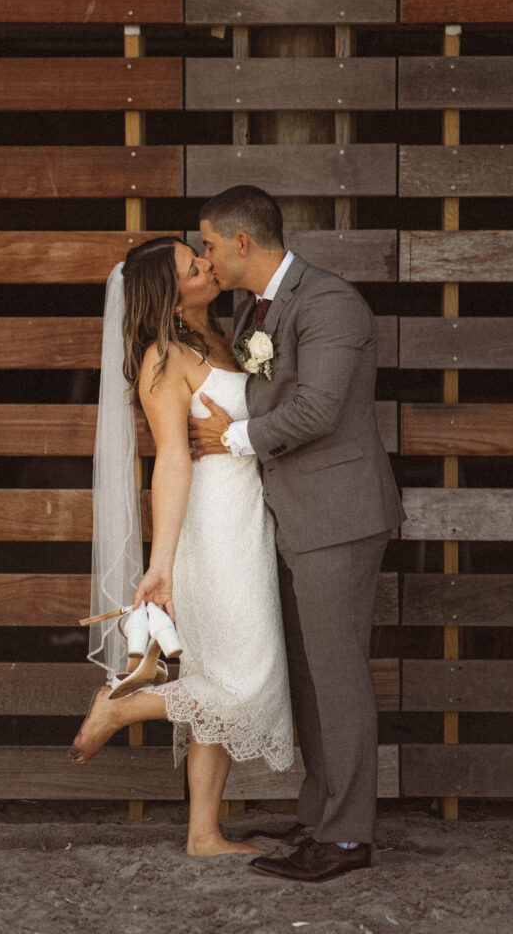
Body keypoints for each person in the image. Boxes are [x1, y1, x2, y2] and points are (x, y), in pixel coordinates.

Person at [188, 186, 407, 883]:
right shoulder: (253, 308)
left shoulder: (330, 302)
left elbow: (314, 409)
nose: (205, 258)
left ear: (241, 243)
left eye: (209, 246)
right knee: (310, 674)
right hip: (291, 513)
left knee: (336, 676)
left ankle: (345, 839)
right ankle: (319, 816)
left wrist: (232, 438)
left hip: (338, 516)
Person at [68, 236, 293, 857]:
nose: (206, 264)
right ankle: (121, 710)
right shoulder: (162, 359)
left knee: (219, 672)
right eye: (192, 267)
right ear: (168, 298)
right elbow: (171, 461)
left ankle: (203, 833)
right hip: (213, 527)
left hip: (252, 515)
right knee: (244, 679)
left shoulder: (229, 331)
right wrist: (160, 565)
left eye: (200, 255)